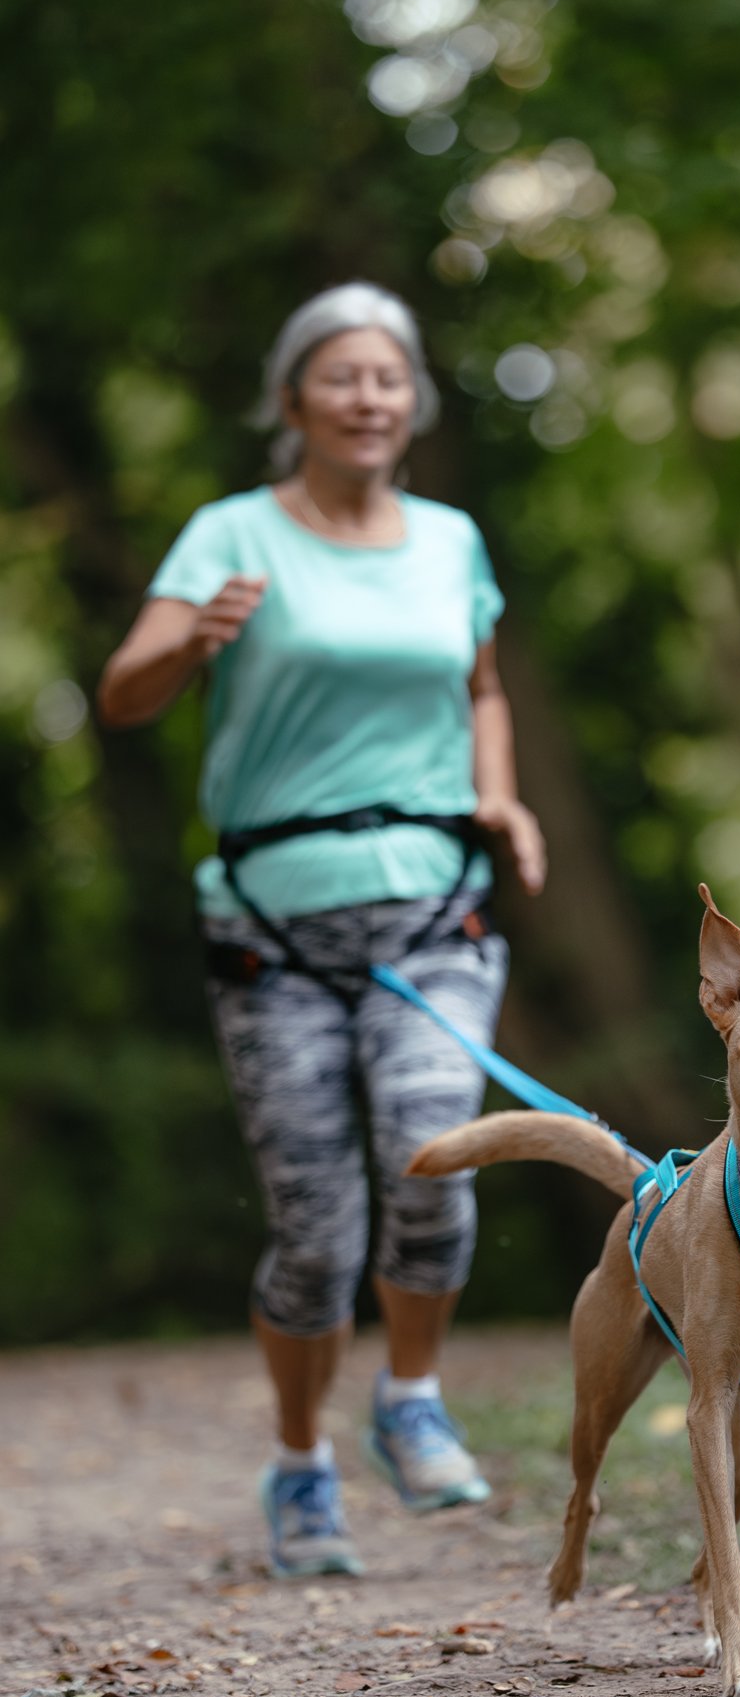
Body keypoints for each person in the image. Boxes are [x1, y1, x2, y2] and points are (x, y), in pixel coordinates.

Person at [98, 282, 546, 1578]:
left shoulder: (450, 541)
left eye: (389, 378)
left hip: (426, 914)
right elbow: (124, 694)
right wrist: (193, 647)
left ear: (412, 404)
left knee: (432, 1155)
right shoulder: (229, 536)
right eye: (340, 377)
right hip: (270, 934)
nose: (368, 398)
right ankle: (300, 1461)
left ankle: (408, 1398)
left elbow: (481, 688)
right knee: (315, 1232)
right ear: (292, 399)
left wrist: (500, 797)